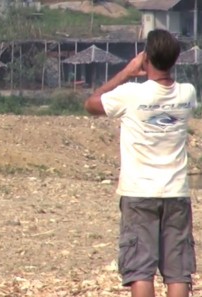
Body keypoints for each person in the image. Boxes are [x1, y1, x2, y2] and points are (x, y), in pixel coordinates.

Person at [84, 29, 197, 297]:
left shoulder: (131, 94)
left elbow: (91, 104)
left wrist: (127, 71)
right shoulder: (188, 94)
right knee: (178, 272)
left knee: (140, 271)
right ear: (175, 60)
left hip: (138, 192)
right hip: (176, 193)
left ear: (146, 58)